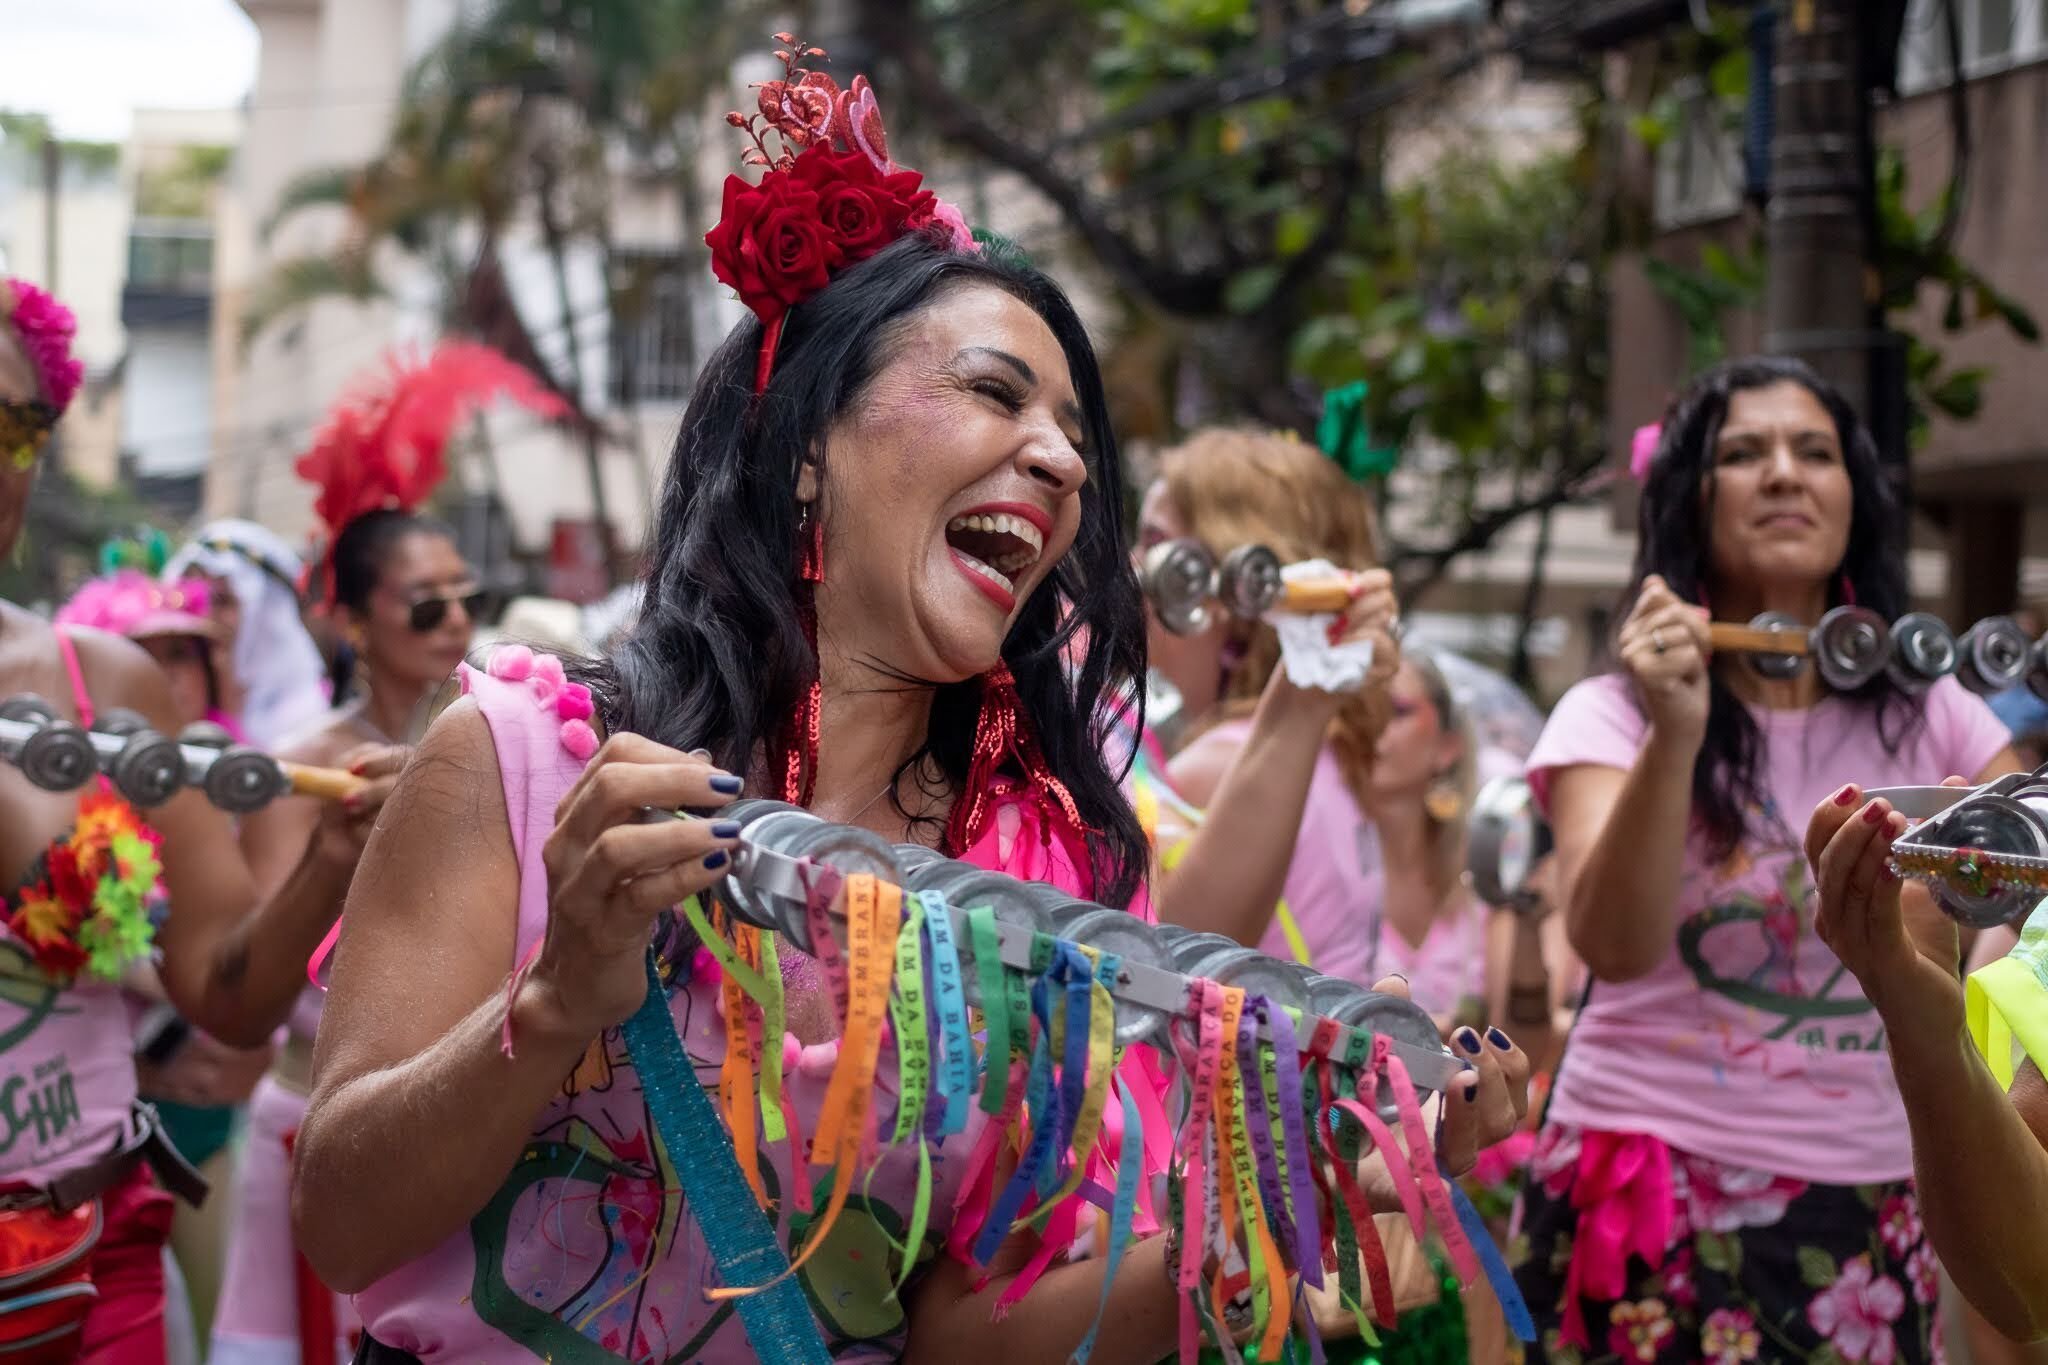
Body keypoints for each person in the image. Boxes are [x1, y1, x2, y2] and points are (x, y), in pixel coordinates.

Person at [291, 49, 1529, 1364]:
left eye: (1074, 439)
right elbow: (339, 1223)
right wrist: (553, 1001)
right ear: (811, 442)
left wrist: (1299, 1197)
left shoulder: (1040, 884)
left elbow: (955, 1334)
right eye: (995, 393)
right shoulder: (523, 760)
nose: (1058, 460)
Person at [1513, 356, 2021, 1363]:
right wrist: (1673, 732)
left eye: (1814, 453)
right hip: (1645, 1181)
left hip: (1876, 1189)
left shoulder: (1936, 717)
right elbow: (1607, 947)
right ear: (1687, 500)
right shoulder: (1611, 712)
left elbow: (2021, 899)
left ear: (1853, 499)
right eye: (1742, 453)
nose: (1783, 474)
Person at [0, 280, 405, 1359]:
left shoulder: (106, 689)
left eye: (16, 422)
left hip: (90, 1273)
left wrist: (331, 855)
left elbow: (229, 995)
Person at [209, 343, 540, 1365]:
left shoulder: (505, 759)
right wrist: (336, 855)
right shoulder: (298, 769)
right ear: (351, 620)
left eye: (465, 596)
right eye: (421, 603)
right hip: (307, 1125)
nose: (453, 624)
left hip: (455, 1137)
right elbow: (250, 988)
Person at [50, 569, 277, 1353]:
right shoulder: (55, 781)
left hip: (207, 1114)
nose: (172, 674)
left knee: (215, 1327)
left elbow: (243, 953)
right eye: (149, 653)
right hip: (92, 1119)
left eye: (187, 654)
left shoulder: (236, 772)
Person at [164, 520, 333, 750]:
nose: (205, 615)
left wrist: (229, 710)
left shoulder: (307, 717)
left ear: (268, 616)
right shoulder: (173, 682)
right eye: (194, 597)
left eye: (222, 601)